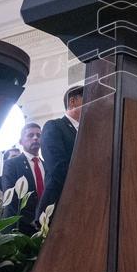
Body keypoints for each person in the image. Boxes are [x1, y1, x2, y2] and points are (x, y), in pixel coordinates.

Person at [36, 85, 82, 219]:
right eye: (89, 100)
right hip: (59, 203)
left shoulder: (88, 132)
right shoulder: (54, 126)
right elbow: (57, 166)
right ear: (72, 101)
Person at [2, 122, 44, 235]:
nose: (35, 138)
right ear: (21, 141)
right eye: (30, 135)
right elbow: (10, 198)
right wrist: (33, 221)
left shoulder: (47, 166)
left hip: (45, 226)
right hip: (20, 229)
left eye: (38, 135)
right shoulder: (12, 164)